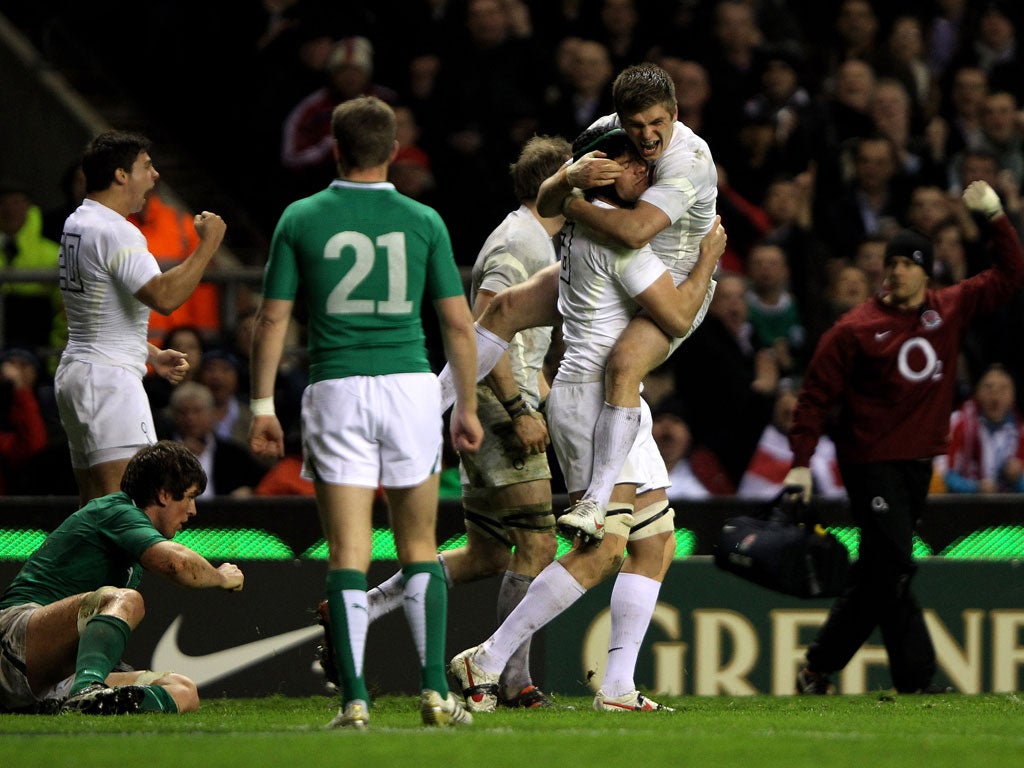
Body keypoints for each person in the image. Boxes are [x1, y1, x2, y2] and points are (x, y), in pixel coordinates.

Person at [449, 126, 726, 715]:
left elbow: (508, 304)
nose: (646, 175)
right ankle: (489, 659)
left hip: (618, 401)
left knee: (655, 543)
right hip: (591, 398)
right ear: (603, 167)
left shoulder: (580, 220)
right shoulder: (617, 235)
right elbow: (676, 317)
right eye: (631, 163)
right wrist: (707, 261)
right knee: (602, 550)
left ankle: (618, 686)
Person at [247, 96, 482, 729]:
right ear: (394, 148)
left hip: (337, 387)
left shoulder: (301, 217)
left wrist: (263, 404)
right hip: (410, 386)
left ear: (334, 144)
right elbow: (457, 324)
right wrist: (467, 403)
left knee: (347, 552)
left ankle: (355, 701)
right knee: (420, 546)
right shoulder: (423, 219)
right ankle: (435, 692)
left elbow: (273, 318)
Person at [438, 62, 717, 543]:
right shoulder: (603, 136)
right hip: (621, 256)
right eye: (636, 127)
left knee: (626, 364)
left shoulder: (690, 158)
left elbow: (634, 233)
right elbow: (550, 202)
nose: (647, 139)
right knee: (504, 309)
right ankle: (424, 412)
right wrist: (569, 182)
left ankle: (595, 500)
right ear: (618, 119)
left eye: (657, 124)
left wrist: (569, 198)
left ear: (674, 112)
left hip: (676, 277)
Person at [784, 180, 1024, 695]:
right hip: (869, 461)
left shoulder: (949, 308)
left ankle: (820, 671)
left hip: (917, 465)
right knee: (893, 562)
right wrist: (801, 463)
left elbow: (1011, 275)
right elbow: (813, 398)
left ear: (926, 269)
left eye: (908, 263)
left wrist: (996, 217)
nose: (897, 271)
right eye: (892, 263)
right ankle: (900, 675)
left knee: (882, 571)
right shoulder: (855, 328)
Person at [364, 135, 571, 708]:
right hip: (497, 414)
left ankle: (366, 604)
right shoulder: (517, 243)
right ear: (556, 183)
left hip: (488, 410)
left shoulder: (534, 239)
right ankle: (511, 679)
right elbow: (487, 329)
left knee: (488, 555)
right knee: (537, 544)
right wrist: (520, 407)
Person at [0, 441, 244, 714]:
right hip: (13, 640)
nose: (192, 510)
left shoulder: (128, 537)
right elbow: (176, 564)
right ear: (164, 495)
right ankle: (87, 691)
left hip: (52, 671)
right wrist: (220, 577)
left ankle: (77, 702)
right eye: (189, 496)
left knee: (182, 690)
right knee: (124, 599)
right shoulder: (115, 510)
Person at [54, 130, 226, 508]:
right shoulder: (117, 232)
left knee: (93, 508)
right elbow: (165, 297)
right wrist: (208, 245)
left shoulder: (78, 222)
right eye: (146, 167)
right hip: (108, 382)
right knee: (127, 509)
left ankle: (64, 571)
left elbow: (97, 315)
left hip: (79, 373)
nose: (155, 176)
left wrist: (149, 351)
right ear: (121, 175)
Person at [166, 382, 266, 497]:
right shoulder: (161, 455)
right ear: (173, 415)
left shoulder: (234, 454)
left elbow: (261, 482)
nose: (190, 418)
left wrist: (247, 492)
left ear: (211, 414)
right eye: (183, 412)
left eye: (197, 411)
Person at [945, 364, 1024, 493]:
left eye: (1003, 388)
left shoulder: (1020, 431)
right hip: (965, 508)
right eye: (989, 387)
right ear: (977, 392)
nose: (995, 395)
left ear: (1013, 395)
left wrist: (1018, 479)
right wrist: (974, 488)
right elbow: (942, 476)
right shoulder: (958, 423)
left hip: (1009, 510)